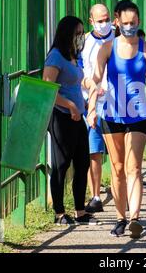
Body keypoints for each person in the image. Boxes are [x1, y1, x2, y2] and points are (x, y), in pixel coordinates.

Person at [88, 0, 146, 238]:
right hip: (112, 115)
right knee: (118, 167)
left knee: (133, 166)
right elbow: (95, 79)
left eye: (133, 23)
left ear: (139, 22)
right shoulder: (108, 48)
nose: (129, 27)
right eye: (125, 23)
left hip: (139, 116)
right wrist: (92, 108)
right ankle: (120, 217)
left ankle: (135, 217)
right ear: (116, 21)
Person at [43, 16, 100, 226]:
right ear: (67, 33)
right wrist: (70, 105)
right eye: (77, 33)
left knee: (82, 162)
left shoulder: (73, 56)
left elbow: (78, 79)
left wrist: (89, 84)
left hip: (78, 116)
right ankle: (59, 213)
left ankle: (80, 210)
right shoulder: (56, 57)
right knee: (61, 164)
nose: (80, 37)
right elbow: (47, 87)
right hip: (61, 116)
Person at [81, 4, 115, 213]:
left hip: (116, 104)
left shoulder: (119, 40)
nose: (104, 23)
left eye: (107, 19)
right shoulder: (85, 42)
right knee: (93, 151)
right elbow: (80, 71)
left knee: (118, 152)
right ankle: (95, 196)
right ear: (91, 21)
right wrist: (89, 90)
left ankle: (122, 192)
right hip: (91, 104)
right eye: (99, 20)